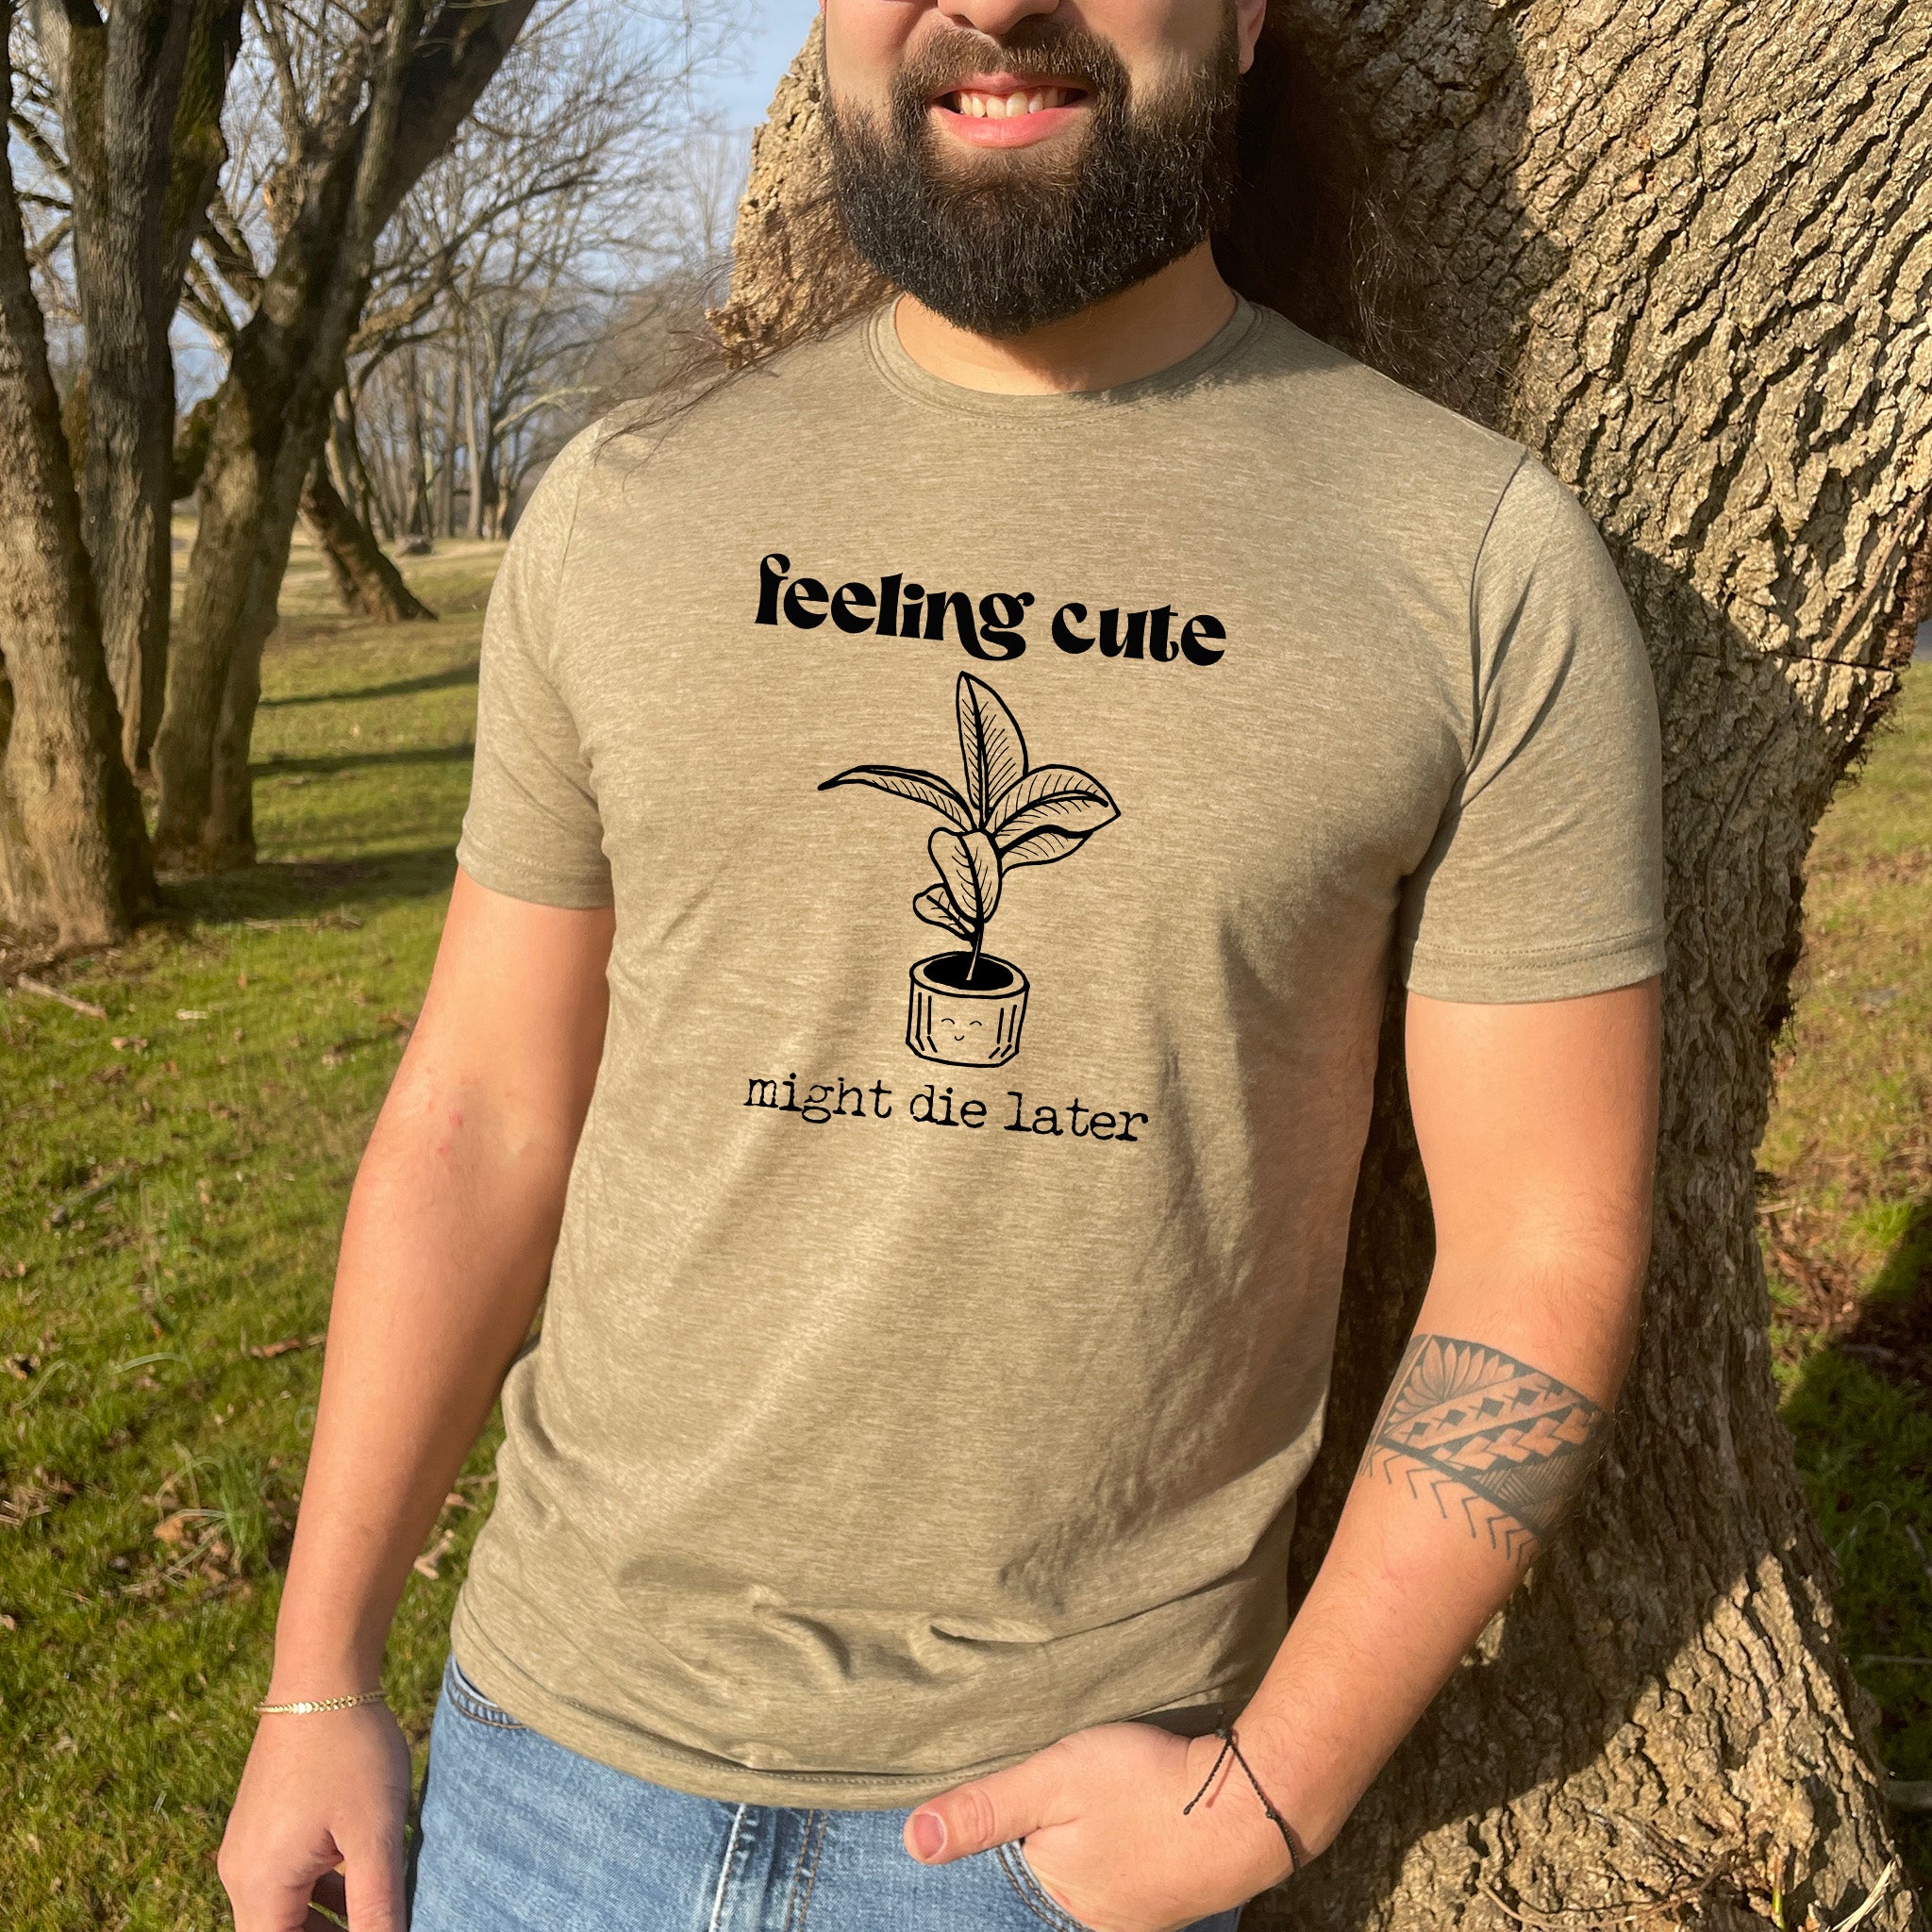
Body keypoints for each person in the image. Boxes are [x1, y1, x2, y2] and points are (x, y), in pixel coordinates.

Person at [218, 0, 1665, 1926]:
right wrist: (319, 1675)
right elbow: (478, 1116)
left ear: (1242, 20)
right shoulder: (627, 512)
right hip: (540, 1783)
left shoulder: (1467, 559)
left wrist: (1269, 1788)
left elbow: (1542, 1240)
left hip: (1055, 1839)